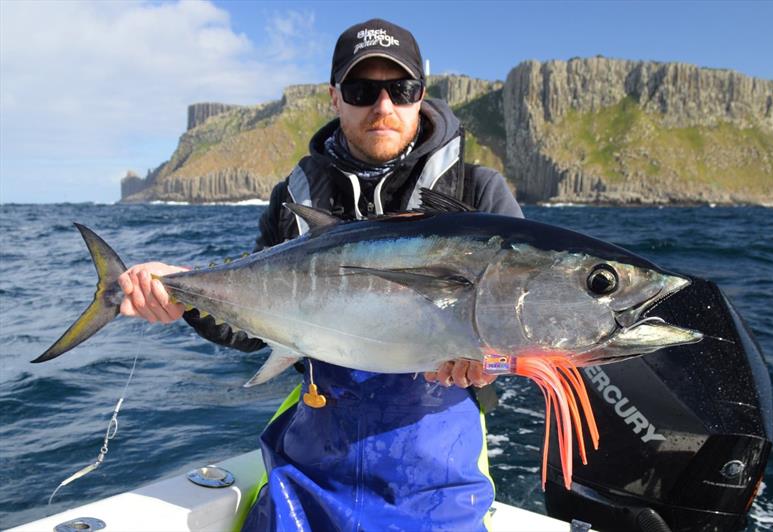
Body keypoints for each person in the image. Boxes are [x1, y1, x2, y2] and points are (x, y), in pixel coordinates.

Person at [118, 18, 523, 531]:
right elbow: (251, 326)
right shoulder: (296, 197)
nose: (383, 107)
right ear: (334, 98)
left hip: (438, 476)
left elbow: (525, 327)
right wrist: (180, 293)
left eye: (401, 89)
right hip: (308, 465)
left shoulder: (478, 194)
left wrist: (495, 363)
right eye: (361, 90)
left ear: (422, 94)